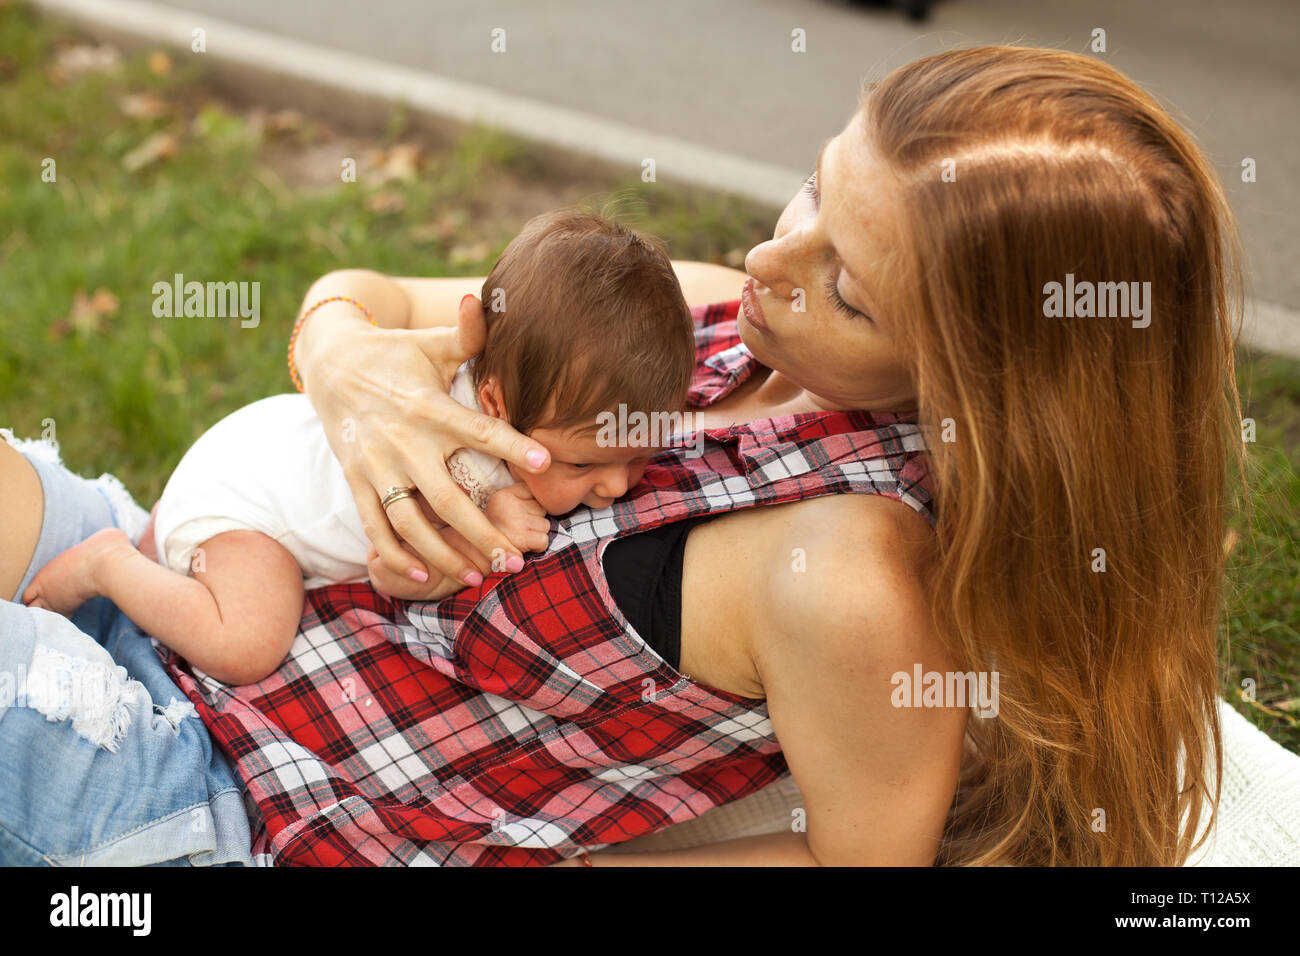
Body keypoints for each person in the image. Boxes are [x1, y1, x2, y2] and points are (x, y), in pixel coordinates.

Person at [0, 45, 1243, 866]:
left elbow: (851, 860)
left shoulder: (854, 572)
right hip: (204, 588)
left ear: (981, 378)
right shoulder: (707, 315)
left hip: (246, 799)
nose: (771, 262)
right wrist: (337, 354)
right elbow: (374, 293)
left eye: (847, 291)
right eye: (813, 192)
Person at [20, 211, 695, 686]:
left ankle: (144, 561)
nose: (615, 485)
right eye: (583, 464)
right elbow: (394, 571)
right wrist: (483, 533)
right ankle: (109, 564)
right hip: (248, 508)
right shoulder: (459, 455)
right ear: (492, 406)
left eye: (640, 452)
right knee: (248, 642)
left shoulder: (518, 381)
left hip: (256, 446)